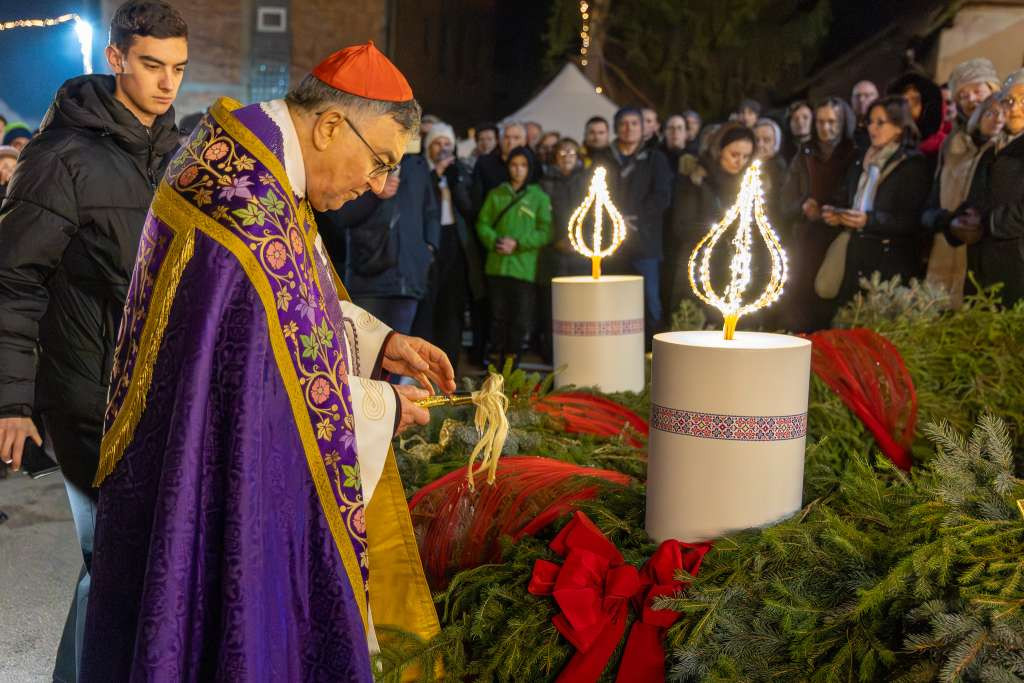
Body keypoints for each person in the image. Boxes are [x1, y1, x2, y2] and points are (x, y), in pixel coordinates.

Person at [79, 42, 451, 681]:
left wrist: (378, 342)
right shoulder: (248, 204)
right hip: (207, 471)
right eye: (381, 161)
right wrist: (383, 405)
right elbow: (273, 390)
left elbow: (294, 309)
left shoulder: (258, 160)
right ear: (330, 125)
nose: (378, 184)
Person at [0, 3, 187, 681]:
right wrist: (12, 402)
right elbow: (13, 280)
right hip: (83, 394)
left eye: (177, 68)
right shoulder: (60, 157)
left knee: (129, 562)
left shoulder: (181, 158)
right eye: (151, 64)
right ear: (116, 58)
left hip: (158, 395)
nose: (166, 83)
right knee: (112, 559)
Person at [821, 95, 930, 305]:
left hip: (889, 264)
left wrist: (869, 220)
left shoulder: (912, 164)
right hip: (856, 256)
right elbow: (845, 196)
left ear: (899, 127)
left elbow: (911, 219)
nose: (872, 128)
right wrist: (835, 213)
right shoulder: (861, 159)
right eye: (870, 122)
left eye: (880, 123)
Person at [336, 137, 441, 336]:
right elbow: (342, 216)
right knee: (363, 347)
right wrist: (375, 194)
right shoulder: (360, 157)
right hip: (368, 274)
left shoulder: (417, 165)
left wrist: (428, 248)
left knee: (400, 348)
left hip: (409, 277)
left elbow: (431, 211)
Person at [921, 58, 1002, 307]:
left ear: (994, 90)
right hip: (944, 267)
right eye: (963, 95)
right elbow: (929, 208)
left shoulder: (1008, 144)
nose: (971, 99)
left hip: (987, 272)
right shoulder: (950, 146)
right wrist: (948, 222)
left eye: (977, 90)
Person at [590, 107, 673, 342]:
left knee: (650, 302)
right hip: (610, 243)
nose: (629, 128)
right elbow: (593, 193)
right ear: (616, 128)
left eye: (634, 123)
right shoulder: (603, 158)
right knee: (611, 301)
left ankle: (651, 354)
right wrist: (616, 218)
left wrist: (634, 217)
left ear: (643, 128)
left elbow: (662, 196)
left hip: (644, 242)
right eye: (624, 124)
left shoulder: (656, 159)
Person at [779, 97, 858, 331]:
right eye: (820, 122)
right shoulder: (805, 154)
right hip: (806, 238)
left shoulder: (855, 154)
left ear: (843, 122)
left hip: (839, 237)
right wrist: (803, 207)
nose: (825, 127)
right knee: (801, 303)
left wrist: (832, 210)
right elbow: (786, 201)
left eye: (832, 122)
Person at [416, 121, 485, 371]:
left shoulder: (461, 171)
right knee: (428, 305)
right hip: (429, 242)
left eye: (447, 143)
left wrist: (455, 182)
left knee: (452, 305)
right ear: (428, 147)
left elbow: (470, 209)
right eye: (437, 143)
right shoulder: (420, 171)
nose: (443, 148)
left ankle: (449, 365)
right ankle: (423, 365)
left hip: (455, 241)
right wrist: (436, 176)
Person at [666, 123, 755, 316]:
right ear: (719, 150)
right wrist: (723, 228)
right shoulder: (696, 179)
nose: (740, 161)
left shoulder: (750, 184)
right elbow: (682, 225)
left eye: (746, 156)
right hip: (699, 265)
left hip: (734, 268)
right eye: (734, 154)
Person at [476, 146, 552, 367]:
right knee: (497, 319)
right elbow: (482, 223)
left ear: (530, 168)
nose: (518, 170)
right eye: (514, 165)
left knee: (519, 322)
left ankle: (511, 369)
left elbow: (546, 231)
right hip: (497, 266)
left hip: (524, 269)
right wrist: (495, 241)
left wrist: (518, 243)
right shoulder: (497, 194)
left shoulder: (539, 197)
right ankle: (495, 370)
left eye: (523, 165)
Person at [953, 69, 1024, 306]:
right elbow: (976, 199)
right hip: (982, 268)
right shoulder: (990, 152)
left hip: (1016, 271)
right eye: (1009, 100)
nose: (1015, 108)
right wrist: (959, 221)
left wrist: (988, 222)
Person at [887, 71, 948, 165]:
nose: (907, 106)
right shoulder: (887, 142)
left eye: (915, 100)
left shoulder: (944, 147)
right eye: (902, 100)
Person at [471, 120, 528, 213]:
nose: (511, 142)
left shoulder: (533, 164)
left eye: (516, 138)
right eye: (506, 137)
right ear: (500, 140)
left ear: (524, 141)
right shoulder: (484, 163)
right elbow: (476, 199)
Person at [753, 117, 787, 206]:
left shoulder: (780, 169)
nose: (760, 145)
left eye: (766, 140)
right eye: (756, 140)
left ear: (776, 142)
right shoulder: (745, 165)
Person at [851, 80, 879, 150]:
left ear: (876, 98)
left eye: (867, 96)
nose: (861, 100)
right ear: (852, 99)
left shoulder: (886, 126)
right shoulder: (845, 128)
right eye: (857, 96)